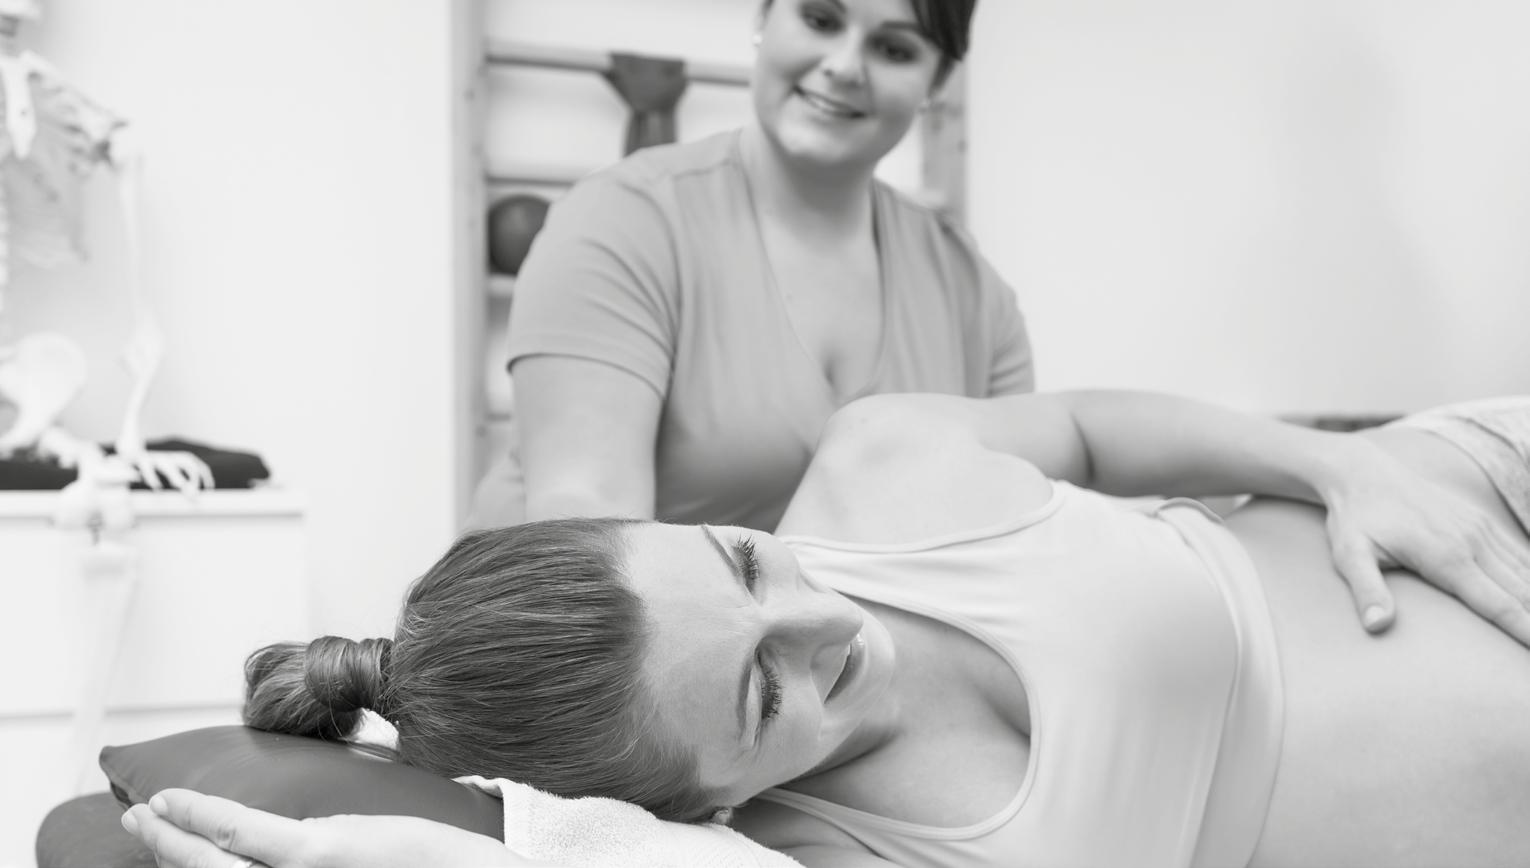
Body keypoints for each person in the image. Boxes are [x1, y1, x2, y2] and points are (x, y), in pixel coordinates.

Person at [127, 391, 1530, 868]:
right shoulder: (815, 854)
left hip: (1473, 488)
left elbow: (1095, 431)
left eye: (743, 560)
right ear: (705, 806)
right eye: (762, 695)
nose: (822, 617)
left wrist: (1338, 461)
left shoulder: (877, 463)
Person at [468, 0, 1035, 534]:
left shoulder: (974, 294)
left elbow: (1005, 538)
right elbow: (590, 539)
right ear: (765, 16)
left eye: (894, 50)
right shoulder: (618, 219)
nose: (844, 67)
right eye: (820, 19)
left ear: (936, 82)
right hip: (587, 609)